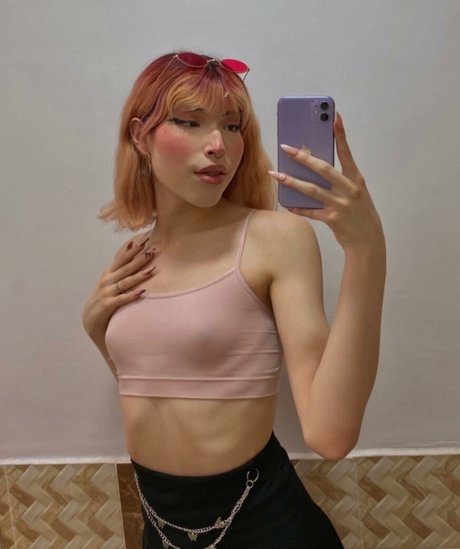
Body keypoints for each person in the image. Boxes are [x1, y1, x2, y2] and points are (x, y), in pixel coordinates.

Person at [82, 51, 386, 549]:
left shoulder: (275, 239)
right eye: (190, 122)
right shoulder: (135, 255)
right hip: (160, 528)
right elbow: (164, 387)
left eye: (231, 125)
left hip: (264, 527)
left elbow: (330, 434)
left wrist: (367, 250)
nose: (218, 145)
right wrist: (97, 328)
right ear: (140, 136)